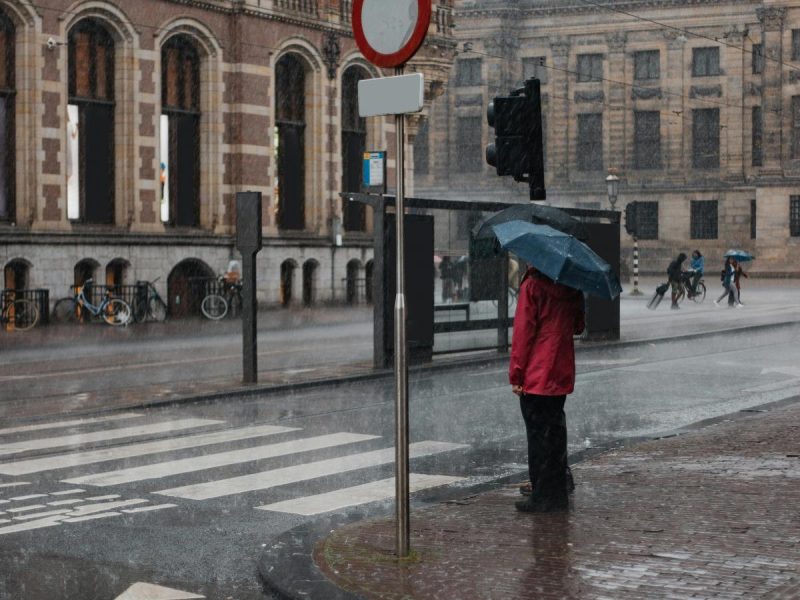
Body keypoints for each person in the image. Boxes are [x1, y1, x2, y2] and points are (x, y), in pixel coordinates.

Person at [509, 267, 585, 513]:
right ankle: (557, 493)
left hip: (537, 372)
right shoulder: (572, 285)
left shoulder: (532, 285)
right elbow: (578, 326)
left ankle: (542, 496)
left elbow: (523, 334)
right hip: (560, 369)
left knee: (537, 436)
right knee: (555, 432)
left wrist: (516, 374)